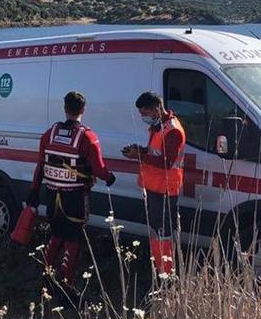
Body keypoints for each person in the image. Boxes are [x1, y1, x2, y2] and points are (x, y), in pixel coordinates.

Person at [27, 91, 116, 288]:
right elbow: (99, 168)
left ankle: (46, 278)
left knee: (56, 234)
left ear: (64, 108)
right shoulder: (87, 137)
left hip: (51, 195)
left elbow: (41, 164)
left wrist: (34, 190)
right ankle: (66, 284)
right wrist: (110, 178)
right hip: (74, 197)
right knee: (72, 239)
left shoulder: (49, 134)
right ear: (83, 110)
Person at [122, 91, 186, 276]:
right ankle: (159, 269)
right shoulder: (158, 127)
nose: (143, 118)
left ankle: (166, 275)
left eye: (145, 113)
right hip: (153, 186)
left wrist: (140, 155)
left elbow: (166, 161)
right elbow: (154, 152)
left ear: (157, 108)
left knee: (164, 233)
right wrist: (139, 150)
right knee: (157, 232)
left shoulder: (172, 130)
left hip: (165, 189)